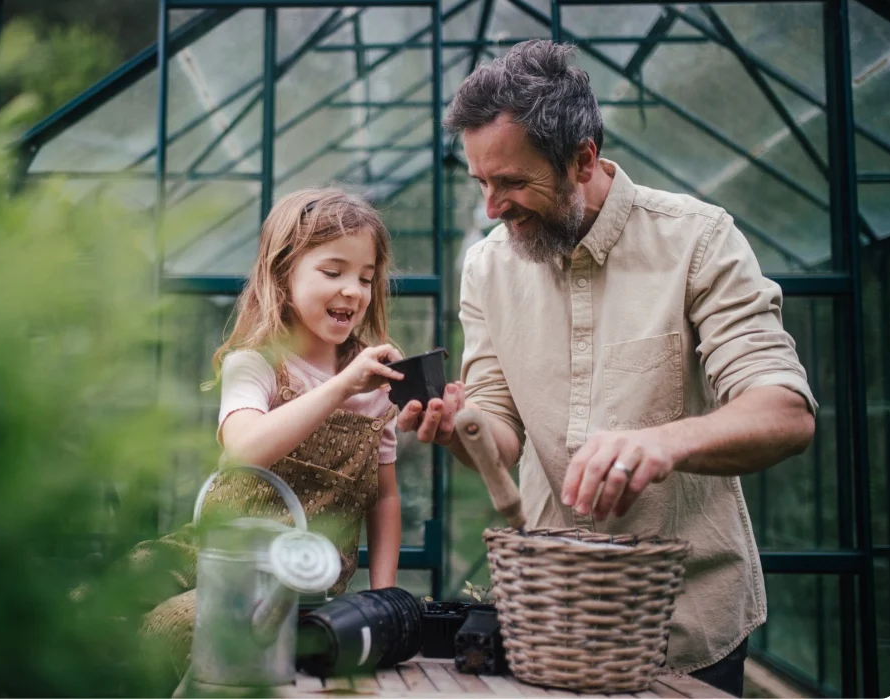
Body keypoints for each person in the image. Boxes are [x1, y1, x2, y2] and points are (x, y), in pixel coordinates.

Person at [397, 40, 817, 698]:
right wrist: (461, 426)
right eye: (481, 182)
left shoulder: (698, 239)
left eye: (512, 182)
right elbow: (499, 429)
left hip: (686, 624)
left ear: (582, 159)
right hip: (548, 619)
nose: (493, 207)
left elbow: (786, 412)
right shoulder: (486, 266)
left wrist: (663, 442)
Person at [135, 187, 406, 677]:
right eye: (333, 272)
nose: (353, 290)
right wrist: (343, 386)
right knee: (99, 601)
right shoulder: (255, 364)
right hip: (210, 553)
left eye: (366, 278)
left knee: (181, 625)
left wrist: (383, 599)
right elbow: (243, 449)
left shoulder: (376, 386)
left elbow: (384, 496)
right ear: (283, 274)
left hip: (295, 586)